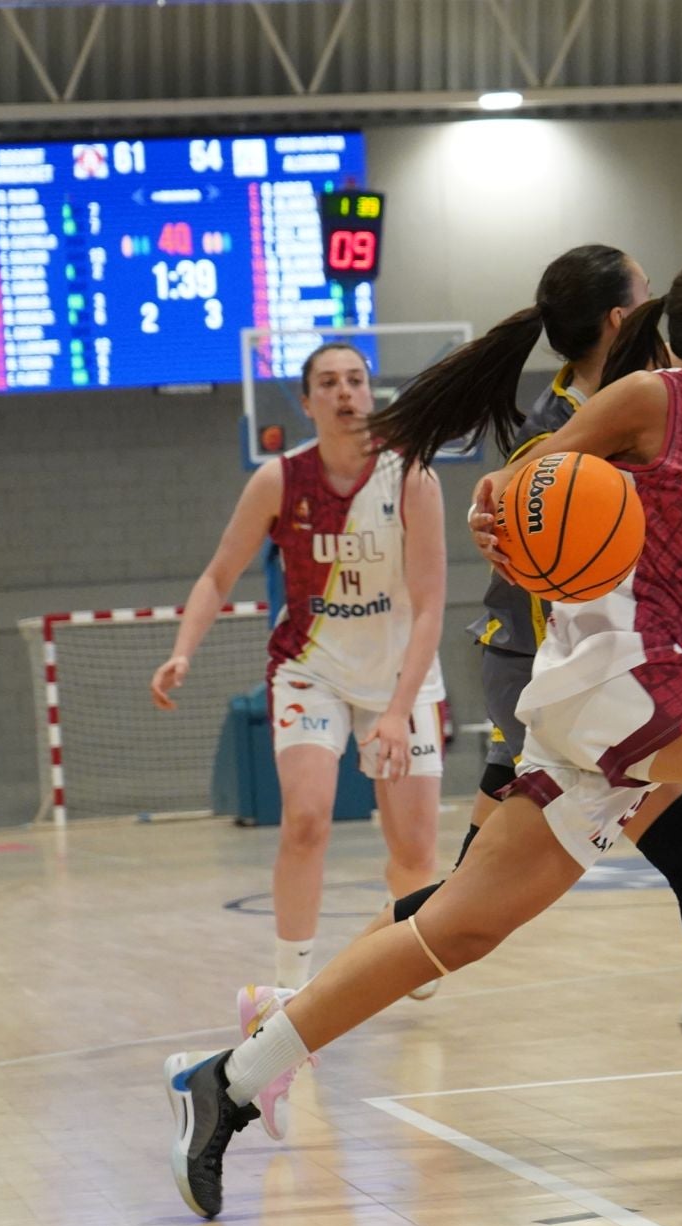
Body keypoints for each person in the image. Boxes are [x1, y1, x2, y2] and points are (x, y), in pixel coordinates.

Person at [163, 250, 682, 1220]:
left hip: (633, 704)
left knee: (454, 927)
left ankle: (230, 1076)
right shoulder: (652, 399)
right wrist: (513, 522)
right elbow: (511, 493)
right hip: (620, 672)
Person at [150, 343, 447, 1137]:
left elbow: (430, 603)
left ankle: (401, 944)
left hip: (399, 674)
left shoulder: (412, 475)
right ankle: (285, 992)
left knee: (415, 858)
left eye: (356, 380)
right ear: (306, 402)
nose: (347, 393)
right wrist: (184, 646)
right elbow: (219, 574)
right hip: (310, 667)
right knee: (307, 818)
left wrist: (398, 707)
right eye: (329, 383)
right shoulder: (279, 480)